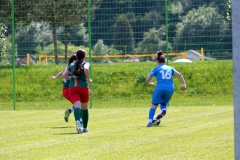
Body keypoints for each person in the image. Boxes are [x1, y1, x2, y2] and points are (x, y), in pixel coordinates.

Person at [146, 50, 186, 127]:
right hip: (170, 88)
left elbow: (147, 80)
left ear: (157, 61)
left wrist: (150, 83)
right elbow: (179, 74)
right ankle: (163, 110)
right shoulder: (170, 68)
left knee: (154, 105)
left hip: (160, 88)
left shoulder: (156, 68)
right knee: (163, 103)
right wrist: (184, 84)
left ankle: (150, 121)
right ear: (165, 60)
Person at [62, 49, 92, 134]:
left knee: (77, 106)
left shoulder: (72, 64)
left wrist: (72, 79)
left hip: (72, 88)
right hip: (83, 87)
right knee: (84, 107)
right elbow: (86, 69)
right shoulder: (85, 63)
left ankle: (78, 121)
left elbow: (64, 75)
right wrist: (89, 79)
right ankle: (85, 128)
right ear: (84, 56)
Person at [50, 54, 77, 122]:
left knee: (79, 104)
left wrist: (55, 77)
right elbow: (63, 74)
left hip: (67, 90)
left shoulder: (70, 66)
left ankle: (70, 112)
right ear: (74, 60)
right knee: (79, 104)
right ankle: (78, 120)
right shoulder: (72, 67)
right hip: (68, 90)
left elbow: (62, 73)